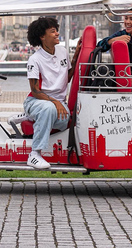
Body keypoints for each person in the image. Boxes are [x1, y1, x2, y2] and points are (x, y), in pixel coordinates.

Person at [24, 17, 82, 169]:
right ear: (42, 37)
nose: (57, 33)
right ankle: (35, 154)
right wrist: (55, 102)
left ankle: (33, 117)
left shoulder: (62, 52)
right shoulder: (34, 59)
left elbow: (66, 78)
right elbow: (35, 91)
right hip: (36, 101)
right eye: (52, 31)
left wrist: (75, 57)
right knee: (48, 109)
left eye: (56, 30)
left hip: (58, 104)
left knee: (64, 121)